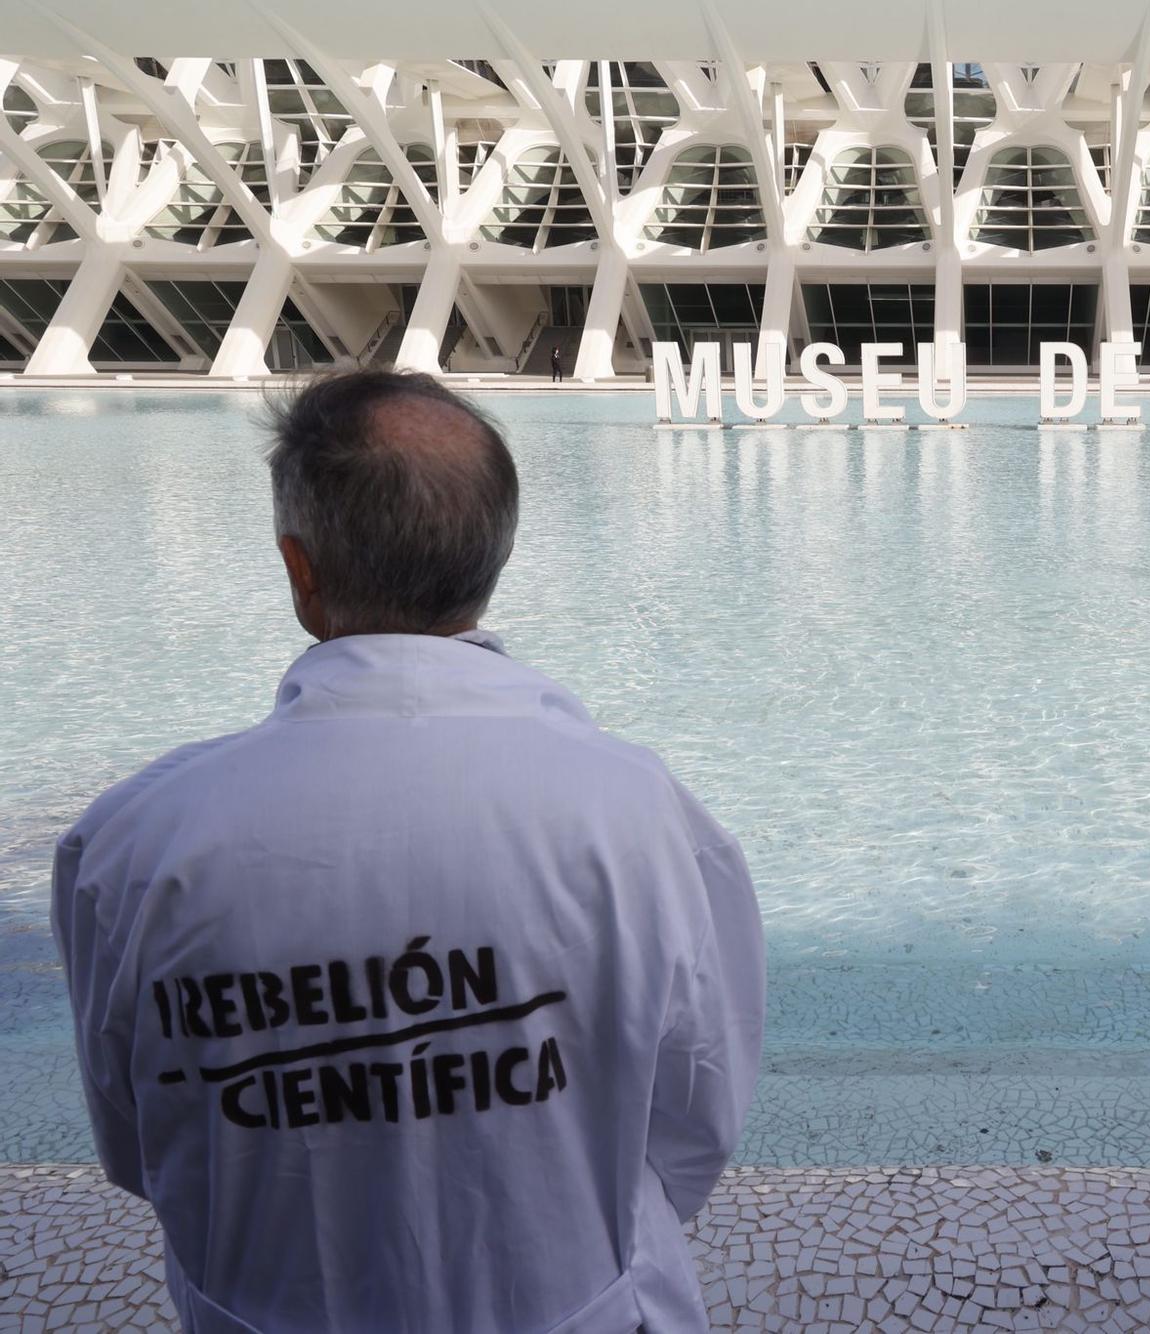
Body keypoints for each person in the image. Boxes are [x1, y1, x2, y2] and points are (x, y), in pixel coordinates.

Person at [52, 370, 764, 1332]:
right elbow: (695, 1122)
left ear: (300, 571)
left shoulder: (131, 846)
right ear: (494, 558)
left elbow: (142, 1151)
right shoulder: (642, 816)